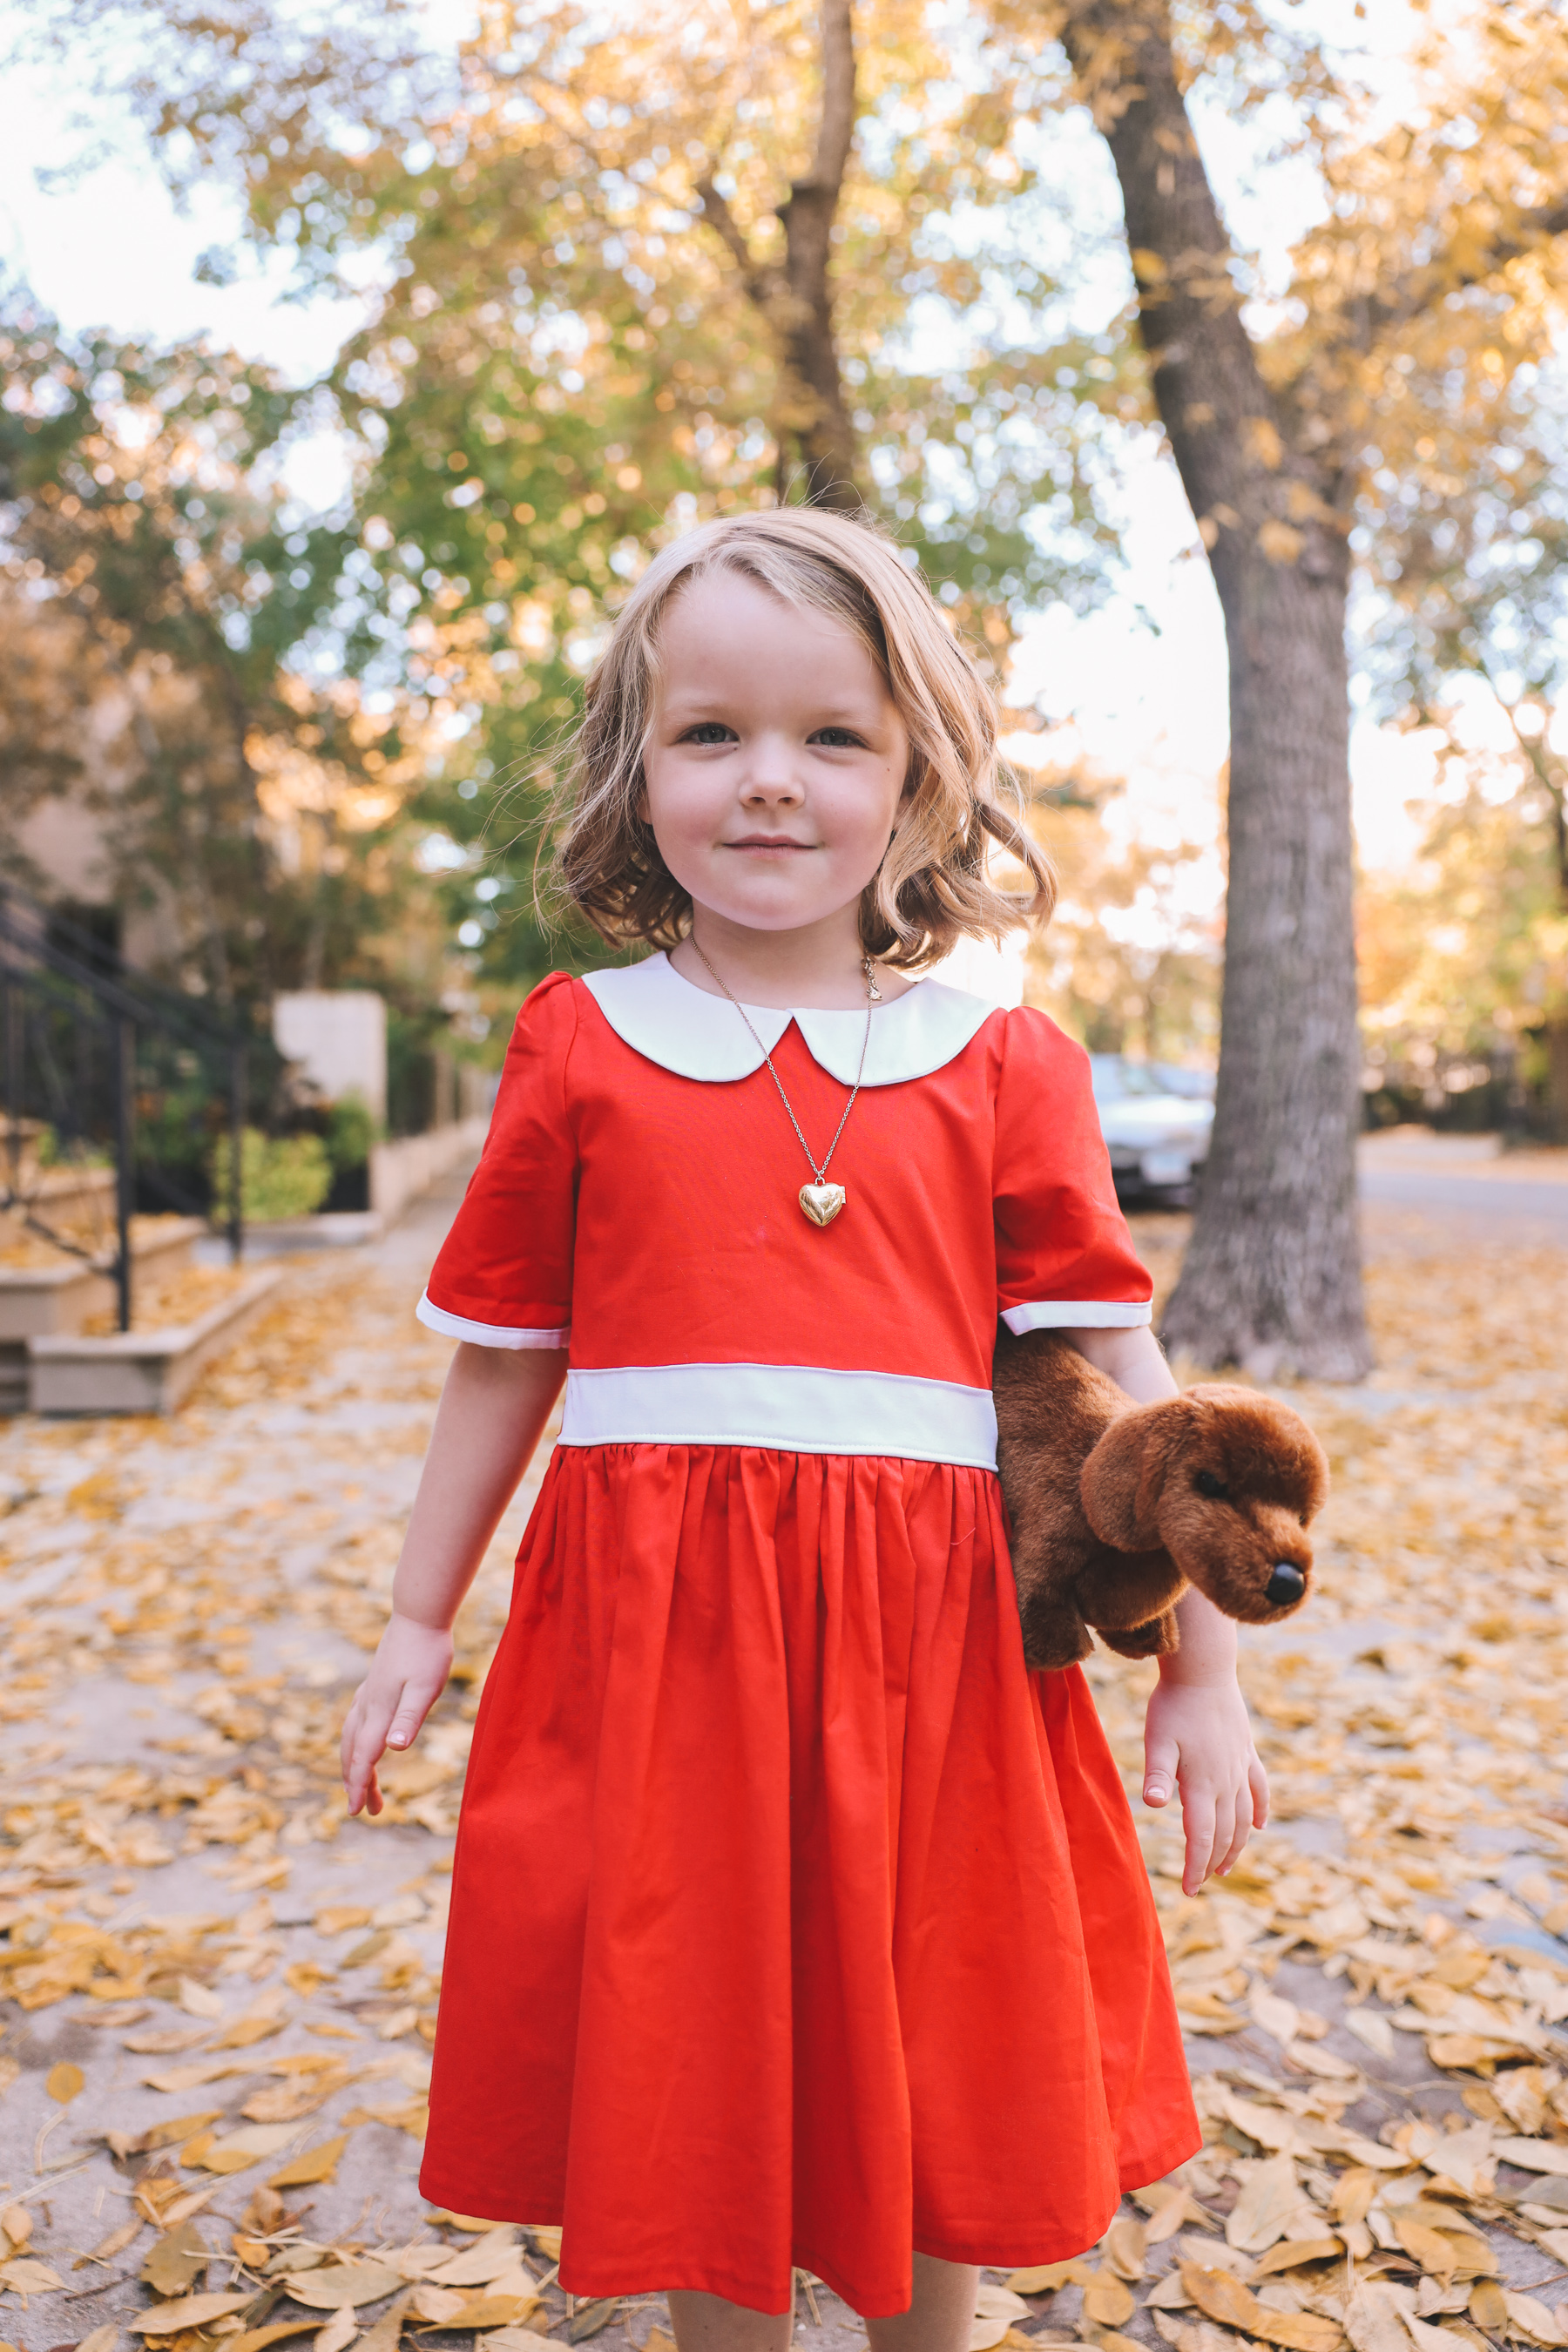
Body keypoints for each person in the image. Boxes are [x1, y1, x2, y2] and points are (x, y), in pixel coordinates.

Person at [340, 510, 1268, 2352]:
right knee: (690, 2041)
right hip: (655, 1654)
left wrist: (1205, 1671)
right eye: (713, 734)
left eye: (832, 737)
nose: (771, 783)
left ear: (921, 780)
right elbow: (508, 1361)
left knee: (930, 2041)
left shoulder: (1002, 1059)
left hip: (935, 1662)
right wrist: (415, 1620)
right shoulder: (581, 1045)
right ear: (637, 766)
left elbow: (1128, 1368)